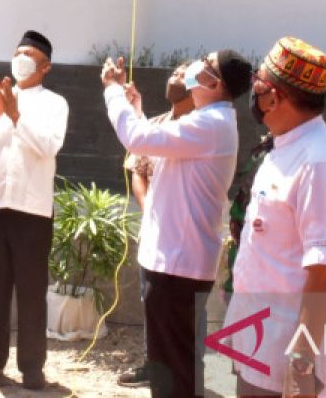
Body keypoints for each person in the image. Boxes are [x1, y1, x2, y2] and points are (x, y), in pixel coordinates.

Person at [103, 51, 250, 398]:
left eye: (206, 63)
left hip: (177, 265)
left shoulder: (210, 124)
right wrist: (135, 108)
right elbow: (152, 150)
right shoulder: (207, 121)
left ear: (214, 83)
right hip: (174, 261)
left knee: (175, 373)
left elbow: (137, 140)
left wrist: (111, 89)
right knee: (170, 368)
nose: (195, 66)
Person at [224, 37, 326, 398]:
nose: (252, 94)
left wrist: (302, 361)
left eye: (258, 84)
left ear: (274, 96)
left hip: (286, 355)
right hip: (260, 341)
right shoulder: (285, 146)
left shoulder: (321, 164)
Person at [0, 30, 68, 391]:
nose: (21, 58)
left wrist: (15, 114)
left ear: (45, 66)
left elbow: (48, 147)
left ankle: (32, 368)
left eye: (29, 54)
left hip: (32, 211)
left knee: (31, 291)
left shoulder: (55, 103)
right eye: (18, 52)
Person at [118, 62, 196, 389]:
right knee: (152, 303)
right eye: (173, 71)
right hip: (155, 236)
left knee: (185, 319)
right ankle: (155, 364)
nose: (173, 77)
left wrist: (118, 99)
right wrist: (150, 208)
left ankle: (187, 375)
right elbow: (138, 169)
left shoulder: (199, 129)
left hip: (187, 245)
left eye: (182, 73)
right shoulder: (156, 124)